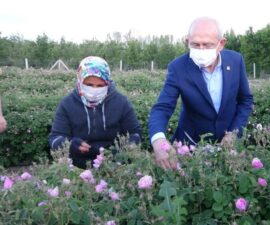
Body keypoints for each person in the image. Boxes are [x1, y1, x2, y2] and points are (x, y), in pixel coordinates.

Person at [148, 17, 254, 169]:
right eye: (195, 44)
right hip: (190, 145)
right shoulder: (178, 67)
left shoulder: (235, 61)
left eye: (207, 44)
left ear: (221, 44)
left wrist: (234, 132)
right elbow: (163, 107)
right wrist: (158, 140)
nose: (201, 49)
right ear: (187, 42)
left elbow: (245, 101)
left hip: (228, 145)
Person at [49, 56, 142, 169]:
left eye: (100, 85)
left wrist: (120, 150)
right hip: (77, 167)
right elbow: (55, 138)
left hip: (115, 165)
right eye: (89, 84)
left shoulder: (121, 102)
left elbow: (135, 133)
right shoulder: (67, 104)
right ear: (80, 80)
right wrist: (70, 144)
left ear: (107, 83)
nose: (94, 89)